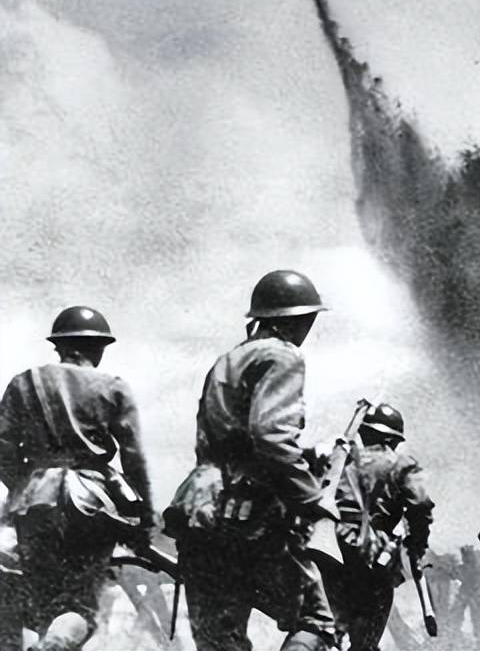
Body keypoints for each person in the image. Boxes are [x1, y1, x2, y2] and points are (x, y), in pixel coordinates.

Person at [165, 269, 338, 651]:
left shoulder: (226, 361)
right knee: (316, 623)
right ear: (297, 320)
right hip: (250, 510)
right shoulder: (284, 356)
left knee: (220, 642)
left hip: (199, 509)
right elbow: (270, 435)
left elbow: (224, 438)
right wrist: (312, 497)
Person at [0, 306, 155, 651]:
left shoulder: (24, 382)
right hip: (91, 502)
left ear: (58, 346)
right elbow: (134, 459)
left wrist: (26, 486)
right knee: (81, 608)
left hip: (33, 502)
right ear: (99, 348)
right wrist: (144, 520)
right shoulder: (112, 386)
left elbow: (3, 449)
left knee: (44, 605)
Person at [315, 402, 434, 651]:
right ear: (392, 439)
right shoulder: (402, 465)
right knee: (365, 640)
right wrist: (417, 543)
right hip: (371, 560)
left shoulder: (341, 460)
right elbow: (421, 507)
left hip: (331, 550)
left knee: (319, 630)